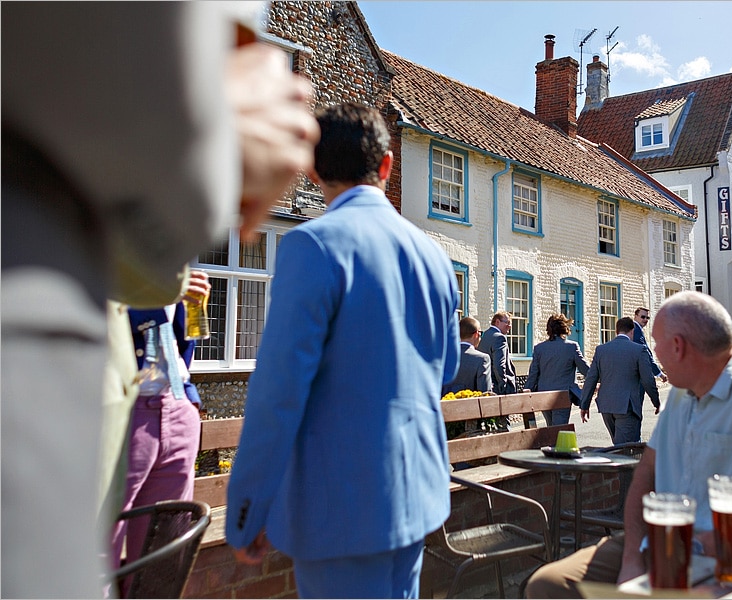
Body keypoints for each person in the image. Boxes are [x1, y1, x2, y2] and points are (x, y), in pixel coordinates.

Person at [1, 4, 319, 596]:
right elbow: (156, 170)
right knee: (102, 550)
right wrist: (215, 133)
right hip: (99, 388)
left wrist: (189, 383)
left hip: (171, 397)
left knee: (155, 560)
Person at [225, 103, 460, 599]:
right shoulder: (434, 256)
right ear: (387, 165)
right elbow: (445, 369)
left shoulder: (312, 246)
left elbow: (277, 394)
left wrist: (248, 509)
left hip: (340, 508)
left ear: (312, 171)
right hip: (416, 494)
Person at [527, 292, 732, 598]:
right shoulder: (683, 394)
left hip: (727, 557)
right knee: (548, 585)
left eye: (655, 342)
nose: (652, 351)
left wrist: (703, 542)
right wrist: (630, 559)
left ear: (678, 347)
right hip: (655, 542)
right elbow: (646, 474)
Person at [108, 271, 209, 587]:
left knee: (161, 562)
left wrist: (187, 397)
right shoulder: (96, 235)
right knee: (95, 550)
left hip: (177, 405)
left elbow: (179, 338)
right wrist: (164, 286)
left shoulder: (171, 251)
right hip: (121, 409)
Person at [579, 317, 660, 444]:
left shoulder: (601, 350)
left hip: (606, 405)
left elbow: (591, 379)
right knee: (625, 449)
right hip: (627, 406)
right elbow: (648, 380)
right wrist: (656, 401)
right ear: (632, 331)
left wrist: (584, 405)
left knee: (617, 445)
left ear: (616, 331)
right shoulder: (639, 350)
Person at [525, 314, 590, 426]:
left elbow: (533, 374)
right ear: (565, 328)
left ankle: (553, 444)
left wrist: (527, 394)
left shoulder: (539, 348)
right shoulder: (572, 347)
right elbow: (586, 370)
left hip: (544, 394)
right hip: (562, 395)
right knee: (560, 430)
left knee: (551, 428)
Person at [443, 316, 493, 397]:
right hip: (471, 407)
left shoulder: (444, 357)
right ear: (476, 334)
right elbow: (485, 393)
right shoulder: (482, 359)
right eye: (481, 333)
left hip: (444, 407)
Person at [479, 311, 518, 396]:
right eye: (507, 323)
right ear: (497, 322)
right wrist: (503, 385)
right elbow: (499, 364)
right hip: (499, 388)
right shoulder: (499, 338)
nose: (510, 326)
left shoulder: (485, 335)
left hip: (488, 383)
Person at [632, 307, 668, 385]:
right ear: (635, 316)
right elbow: (645, 354)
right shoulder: (636, 331)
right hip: (637, 375)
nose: (645, 319)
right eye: (642, 317)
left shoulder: (636, 329)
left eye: (647, 317)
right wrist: (659, 374)